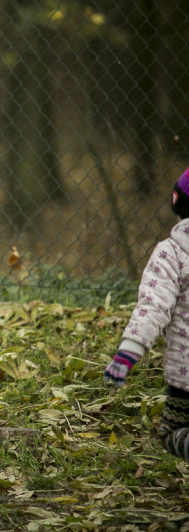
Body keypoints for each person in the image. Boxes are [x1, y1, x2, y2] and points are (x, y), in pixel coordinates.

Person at [103, 167, 189, 461]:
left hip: (185, 376)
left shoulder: (171, 253)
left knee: (172, 433)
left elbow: (154, 305)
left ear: (177, 203)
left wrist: (127, 353)